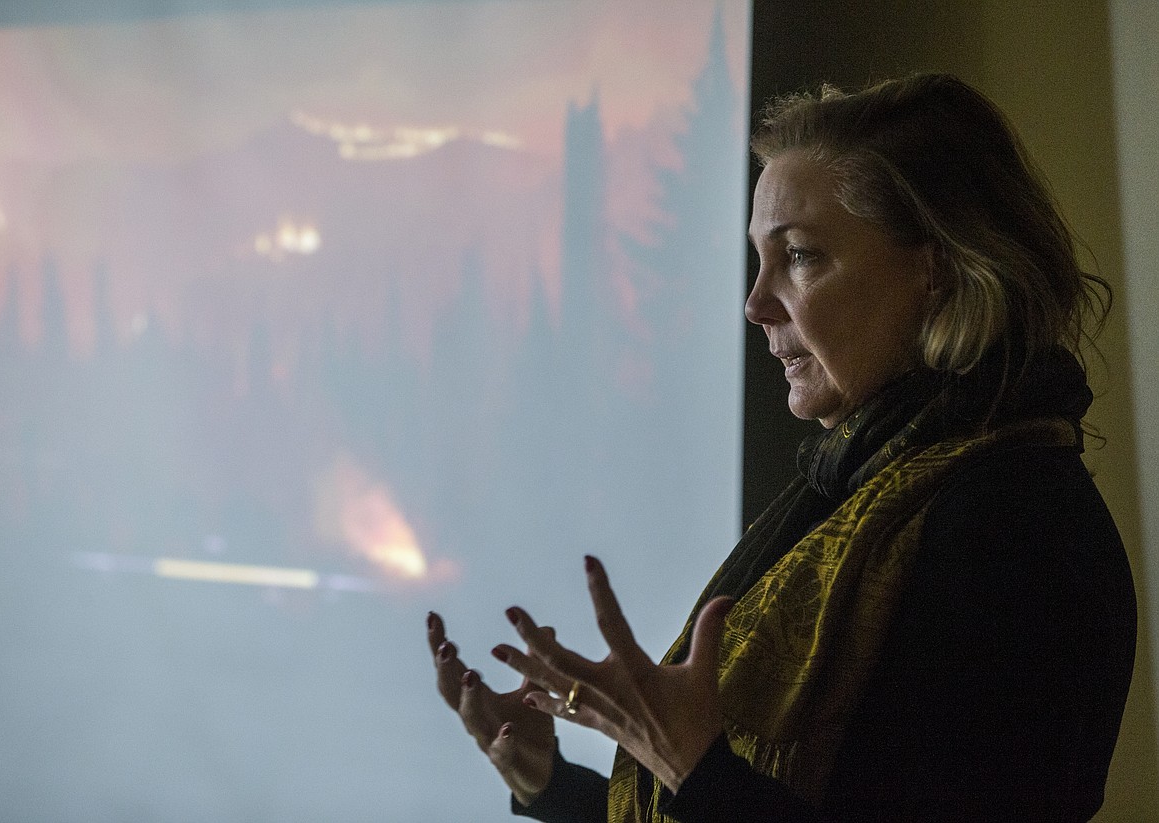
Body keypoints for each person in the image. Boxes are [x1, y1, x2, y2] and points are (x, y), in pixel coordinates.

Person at [426, 73, 1137, 822]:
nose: (755, 302)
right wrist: (554, 784)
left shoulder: (1017, 527)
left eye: (799, 256)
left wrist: (689, 761)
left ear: (935, 269)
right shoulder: (863, 486)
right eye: (760, 259)